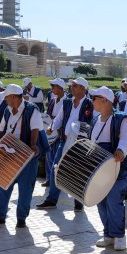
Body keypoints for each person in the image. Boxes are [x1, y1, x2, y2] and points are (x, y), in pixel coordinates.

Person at [0, 84, 43, 228]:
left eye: (6, 97)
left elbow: (35, 129)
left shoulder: (32, 109)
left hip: (26, 156)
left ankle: (21, 219)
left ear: (14, 97)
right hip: (9, 153)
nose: (5, 99)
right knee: (3, 185)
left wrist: (33, 145)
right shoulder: (7, 110)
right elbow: (2, 129)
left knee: (25, 189)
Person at [89, 86, 127, 250]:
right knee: (100, 201)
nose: (92, 101)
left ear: (104, 100)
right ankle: (108, 235)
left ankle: (119, 237)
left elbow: (126, 139)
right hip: (98, 169)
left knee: (114, 202)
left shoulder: (121, 119)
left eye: (94, 98)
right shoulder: (94, 120)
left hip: (116, 168)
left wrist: (121, 150)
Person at [41, 77, 94, 210]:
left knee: (77, 172)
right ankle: (51, 200)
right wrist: (52, 127)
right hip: (64, 141)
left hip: (79, 144)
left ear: (83, 88)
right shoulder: (67, 102)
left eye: (74, 86)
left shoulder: (90, 104)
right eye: (71, 86)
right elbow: (59, 119)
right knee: (56, 169)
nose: (71, 88)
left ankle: (78, 202)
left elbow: (92, 124)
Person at [41, 78, 66, 187]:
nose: (52, 89)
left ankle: (56, 180)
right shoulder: (52, 100)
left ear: (60, 88)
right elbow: (48, 114)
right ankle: (49, 178)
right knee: (49, 156)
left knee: (58, 157)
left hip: (60, 133)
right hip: (51, 131)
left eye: (53, 87)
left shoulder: (66, 101)